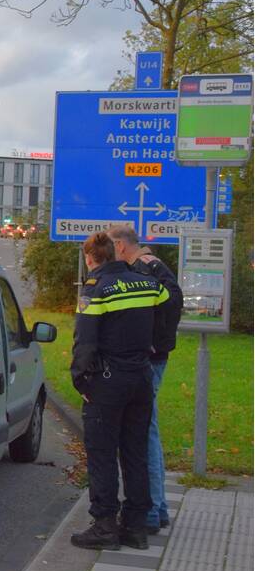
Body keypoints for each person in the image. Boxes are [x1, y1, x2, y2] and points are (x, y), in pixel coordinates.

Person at [70, 231, 168, 551]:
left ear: (90, 258)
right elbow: (168, 308)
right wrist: (155, 347)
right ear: (114, 253)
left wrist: (81, 381)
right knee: (135, 452)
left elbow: (84, 342)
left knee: (102, 454)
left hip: (108, 381)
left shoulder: (95, 289)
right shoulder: (146, 282)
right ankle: (136, 526)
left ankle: (105, 526)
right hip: (141, 377)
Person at [107, 224, 183, 534]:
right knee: (148, 432)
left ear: (121, 246)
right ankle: (158, 507)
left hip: (148, 361)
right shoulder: (149, 266)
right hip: (151, 358)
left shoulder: (147, 268)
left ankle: (151, 511)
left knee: (144, 434)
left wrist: (152, 343)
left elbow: (171, 303)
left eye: (111, 248)